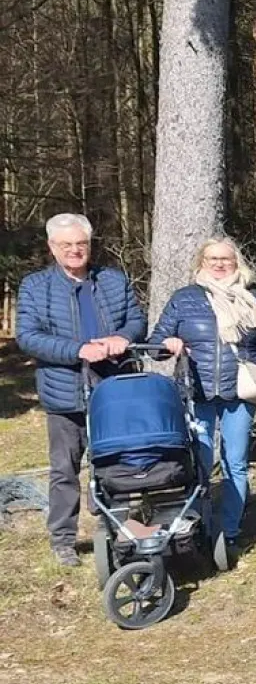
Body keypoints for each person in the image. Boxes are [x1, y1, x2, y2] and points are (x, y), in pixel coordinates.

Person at [17, 213, 147, 566]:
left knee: (115, 464)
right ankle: (63, 539)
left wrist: (123, 337)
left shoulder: (112, 280)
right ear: (52, 247)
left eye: (81, 244)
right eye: (66, 245)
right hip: (65, 391)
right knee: (64, 469)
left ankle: (119, 528)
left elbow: (137, 320)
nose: (75, 250)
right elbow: (28, 336)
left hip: (113, 390)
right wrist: (78, 349)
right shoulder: (35, 286)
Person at [154, 237, 256, 553]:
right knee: (199, 461)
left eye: (225, 259)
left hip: (240, 392)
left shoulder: (253, 300)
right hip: (195, 393)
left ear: (236, 262)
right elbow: (156, 342)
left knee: (236, 462)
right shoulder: (185, 298)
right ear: (202, 262)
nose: (219, 264)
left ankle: (230, 530)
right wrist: (169, 344)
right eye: (212, 258)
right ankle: (197, 526)